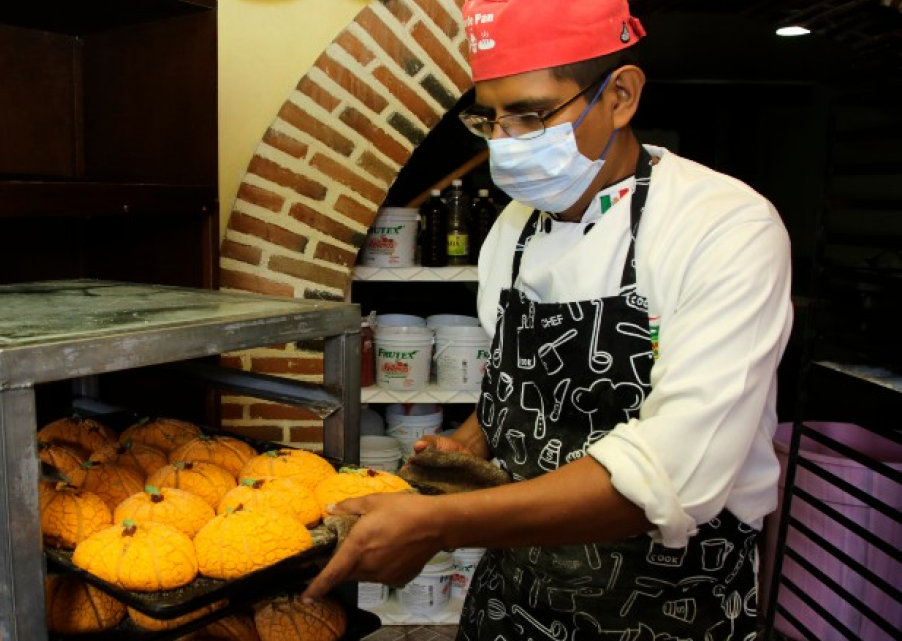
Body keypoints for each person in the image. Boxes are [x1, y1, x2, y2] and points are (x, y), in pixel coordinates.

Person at [302, 0, 793, 638]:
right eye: (490, 119)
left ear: (620, 95)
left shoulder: (724, 226)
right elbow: (518, 384)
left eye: (531, 114)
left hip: (666, 600)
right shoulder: (514, 229)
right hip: (516, 586)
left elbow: (675, 475)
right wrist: (469, 444)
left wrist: (442, 523)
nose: (505, 143)